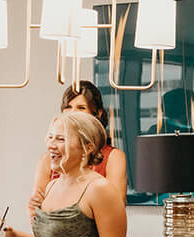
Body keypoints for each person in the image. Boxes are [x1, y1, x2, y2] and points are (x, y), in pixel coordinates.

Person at [28, 80, 128, 213]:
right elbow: (36, 208)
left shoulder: (113, 157)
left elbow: (116, 208)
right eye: (68, 107)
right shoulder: (48, 159)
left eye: (81, 108)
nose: (73, 113)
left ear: (97, 113)